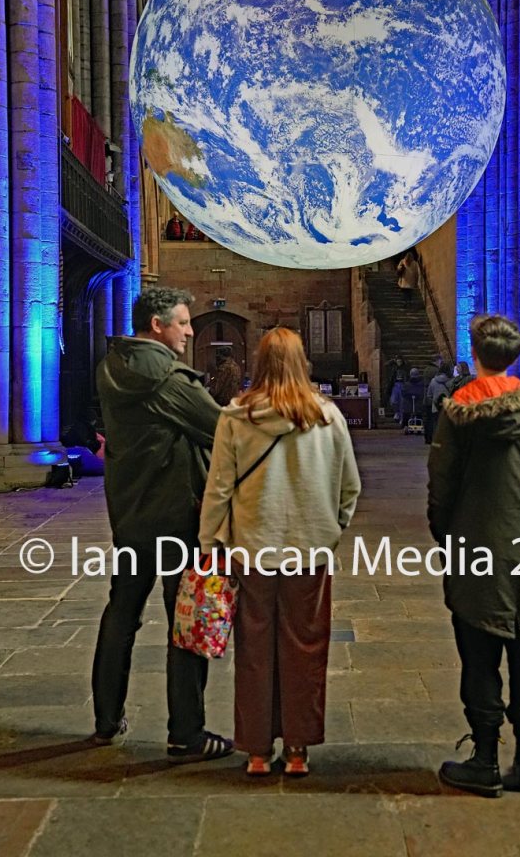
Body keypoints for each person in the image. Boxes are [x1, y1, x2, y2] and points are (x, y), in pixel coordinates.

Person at [200, 327, 361, 777]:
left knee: (254, 651)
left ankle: (255, 750)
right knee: (305, 648)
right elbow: (350, 486)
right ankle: (297, 749)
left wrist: (211, 543)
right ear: (301, 361)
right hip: (310, 551)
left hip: (252, 549)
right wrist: (332, 527)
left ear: (260, 361)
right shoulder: (328, 417)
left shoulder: (236, 416)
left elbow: (219, 488)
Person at [91, 287, 234, 763]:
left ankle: (106, 718)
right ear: (157, 324)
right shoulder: (167, 378)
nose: (190, 330)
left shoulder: (113, 367)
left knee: (122, 614)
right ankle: (186, 734)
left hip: (130, 513)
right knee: (187, 622)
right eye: (183, 322)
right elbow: (220, 429)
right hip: (176, 516)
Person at [427, 314, 520, 798]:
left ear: (476, 352)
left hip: (476, 542)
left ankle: (485, 758)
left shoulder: (458, 412)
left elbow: (442, 486)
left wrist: (447, 534)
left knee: (479, 652)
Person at [424, 361, 453, 442]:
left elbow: (429, 394)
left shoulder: (433, 381)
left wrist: (435, 399)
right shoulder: (452, 381)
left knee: (436, 424)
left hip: (436, 407)